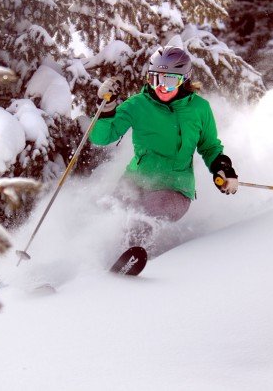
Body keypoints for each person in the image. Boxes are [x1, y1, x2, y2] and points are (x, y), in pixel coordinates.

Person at [90, 46, 238, 255]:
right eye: (155, 79)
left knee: (146, 215)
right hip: (135, 181)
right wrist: (106, 108)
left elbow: (210, 146)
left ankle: (128, 257)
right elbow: (101, 138)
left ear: (184, 80)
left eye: (169, 81)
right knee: (106, 217)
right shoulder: (137, 105)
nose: (162, 87)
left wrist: (223, 168)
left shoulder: (199, 109)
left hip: (174, 188)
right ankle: (80, 271)